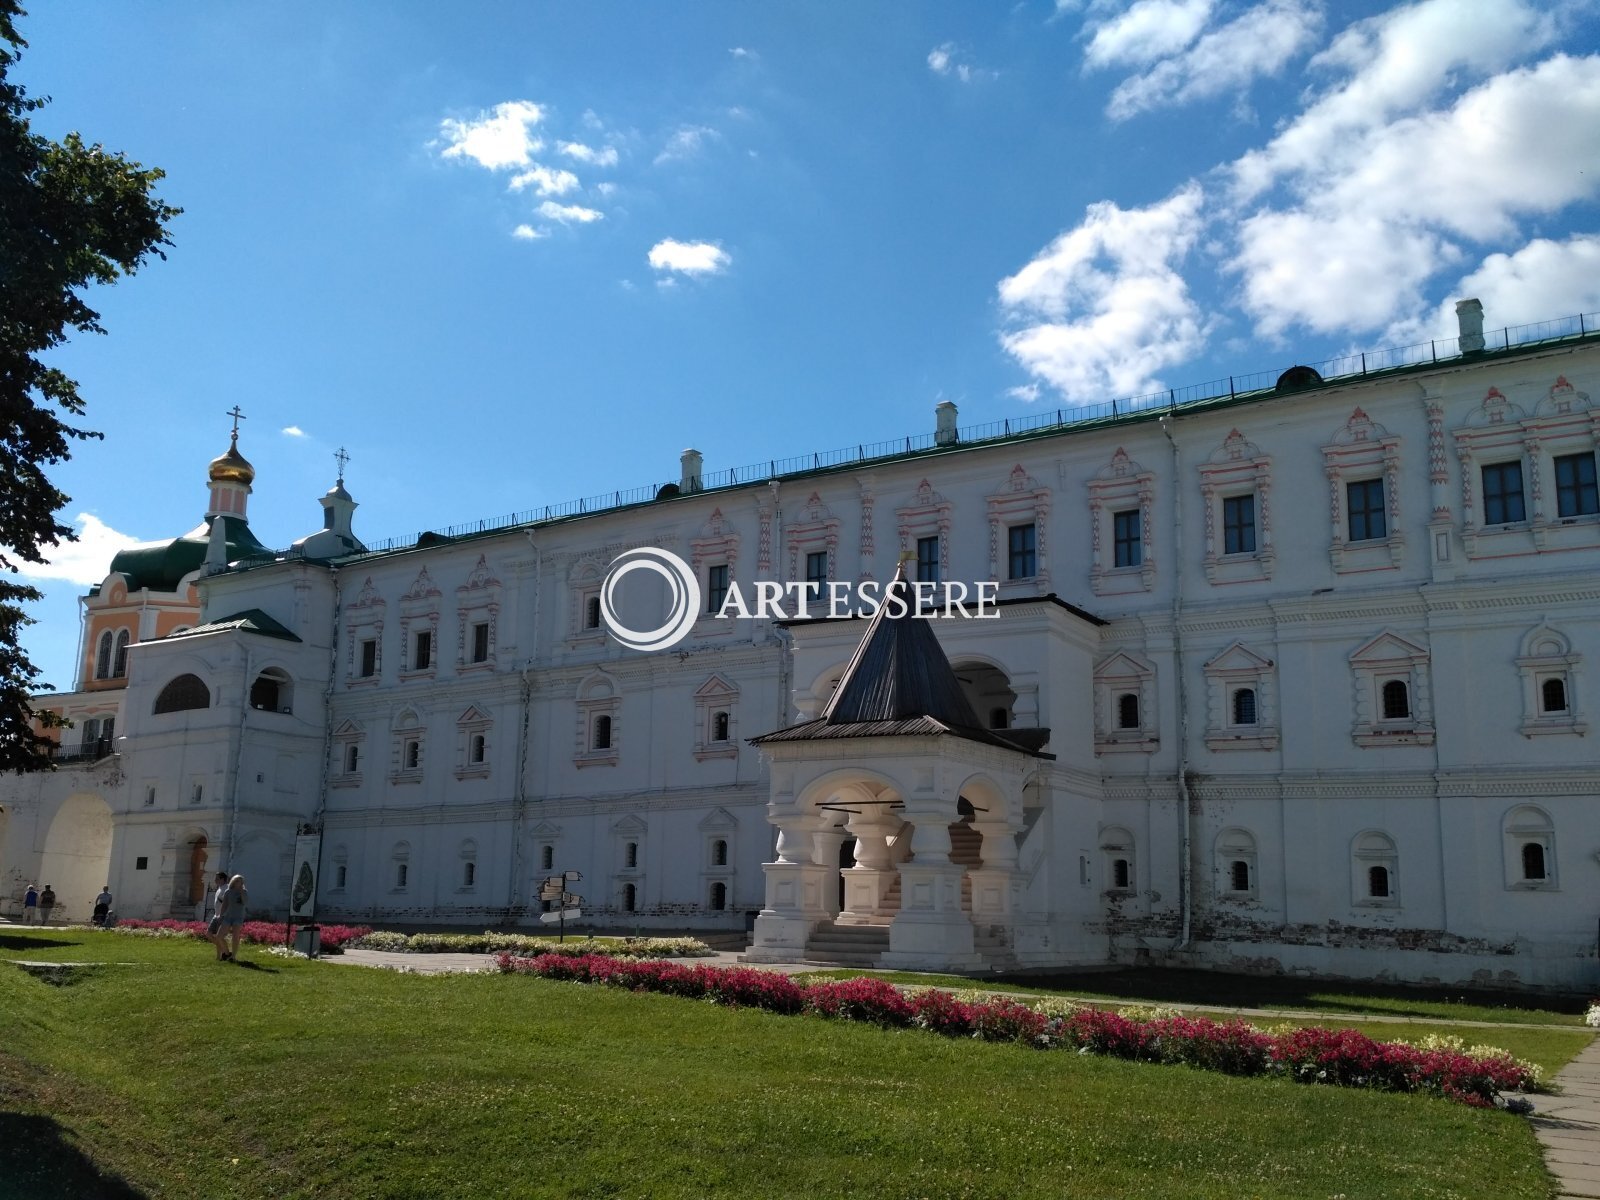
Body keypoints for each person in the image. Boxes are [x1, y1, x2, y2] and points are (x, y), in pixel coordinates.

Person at [218, 874, 247, 962]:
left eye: (241, 882)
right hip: (228, 916)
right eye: (238, 881)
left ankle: (233, 956)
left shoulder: (244, 892)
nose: (239, 883)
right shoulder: (228, 891)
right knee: (219, 936)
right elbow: (224, 905)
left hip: (238, 917)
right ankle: (227, 952)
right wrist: (221, 915)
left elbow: (244, 902)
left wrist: (241, 892)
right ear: (233, 882)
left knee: (235, 936)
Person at [207, 870, 229, 960]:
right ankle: (225, 952)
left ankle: (223, 955)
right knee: (208, 934)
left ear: (223, 879)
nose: (215, 880)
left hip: (222, 916)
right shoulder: (219, 888)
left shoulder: (227, 888)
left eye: (217, 878)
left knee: (219, 937)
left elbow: (227, 902)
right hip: (216, 915)